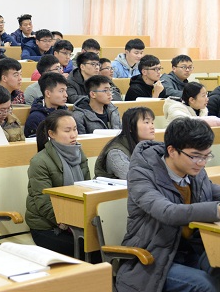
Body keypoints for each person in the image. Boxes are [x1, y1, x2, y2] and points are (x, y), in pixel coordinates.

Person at [116, 117, 220, 292]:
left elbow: (212, 191)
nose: (202, 163)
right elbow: (168, 212)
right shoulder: (141, 174)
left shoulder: (194, 170)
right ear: (172, 151)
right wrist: (216, 210)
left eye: (206, 156)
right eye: (195, 156)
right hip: (155, 257)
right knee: (207, 286)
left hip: (192, 251)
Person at [25, 110, 90, 257]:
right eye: (67, 131)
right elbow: (43, 203)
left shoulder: (79, 153)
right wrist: (69, 222)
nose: (73, 135)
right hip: (47, 225)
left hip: (76, 219)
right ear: (52, 134)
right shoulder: (40, 161)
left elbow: (88, 188)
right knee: (86, 248)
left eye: (75, 129)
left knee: (102, 240)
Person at [94, 107, 156, 179]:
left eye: (152, 122)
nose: (152, 127)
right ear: (130, 127)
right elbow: (134, 177)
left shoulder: (150, 147)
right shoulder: (116, 152)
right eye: (147, 122)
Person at [24, 72, 68, 138]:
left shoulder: (66, 113)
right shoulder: (35, 118)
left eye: (65, 91)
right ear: (48, 93)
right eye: (61, 91)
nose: (66, 95)